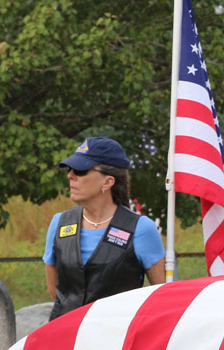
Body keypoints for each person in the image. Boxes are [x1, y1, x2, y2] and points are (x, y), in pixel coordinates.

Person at [45, 137, 165, 320]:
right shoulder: (59, 223)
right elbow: (56, 293)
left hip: (116, 339)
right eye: (69, 169)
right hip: (65, 338)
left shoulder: (141, 229)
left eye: (80, 170)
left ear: (108, 182)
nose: (70, 175)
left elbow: (161, 297)